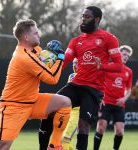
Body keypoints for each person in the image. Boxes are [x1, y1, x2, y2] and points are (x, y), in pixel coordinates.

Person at [39, 6, 123, 150]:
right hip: (75, 85)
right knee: (49, 109)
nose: (83, 19)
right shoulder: (75, 41)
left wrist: (102, 66)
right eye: (82, 16)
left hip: (93, 89)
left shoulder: (109, 38)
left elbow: (118, 66)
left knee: (83, 126)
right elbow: (64, 62)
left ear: (97, 19)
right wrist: (47, 69)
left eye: (87, 17)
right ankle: (45, 147)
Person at [0, 19, 72, 150]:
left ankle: (54, 145)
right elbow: (52, 78)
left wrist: (51, 53)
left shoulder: (35, 50)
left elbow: (46, 65)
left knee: (64, 102)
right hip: (14, 106)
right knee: (3, 146)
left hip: (32, 100)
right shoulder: (24, 57)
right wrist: (60, 58)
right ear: (26, 37)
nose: (39, 35)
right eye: (36, 33)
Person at [93, 45, 133, 150]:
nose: (126, 57)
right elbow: (98, 82)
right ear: (119, 54)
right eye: (124, 54)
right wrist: (100, 97)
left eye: (128, 56)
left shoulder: (129, 71)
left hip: (119, 105)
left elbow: (129, 90)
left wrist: (124, 99)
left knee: (120, 131)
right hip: (105, 102)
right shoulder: (108, 66)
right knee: (101, 128)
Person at [62, 58, 79, 150]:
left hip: (78, 112)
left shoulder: (87, 77)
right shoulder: (72, 75)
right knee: (64, 140)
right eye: (73, 63)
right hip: (69, 111)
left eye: (77, 63)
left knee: (65, 139)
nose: (74, 65)